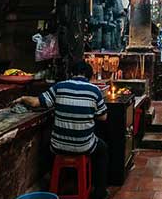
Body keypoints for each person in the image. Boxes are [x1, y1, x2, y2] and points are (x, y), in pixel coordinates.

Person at [13, 61, 109, 199]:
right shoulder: (94, 90)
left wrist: (23, 98)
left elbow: (36, 102)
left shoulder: (59, 87)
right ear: (90, 76)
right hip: (84, 147)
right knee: (103, 149)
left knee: (47, 147)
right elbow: (103, 117)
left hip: (58, 147)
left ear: (71, 74)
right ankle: (100, 192)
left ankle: (58, 185)